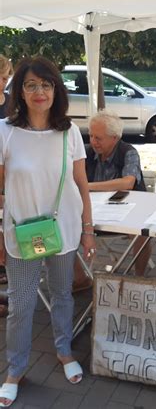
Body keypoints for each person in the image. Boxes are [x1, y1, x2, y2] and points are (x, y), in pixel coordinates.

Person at [0, 57, 96, 407]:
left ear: (56, 90)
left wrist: (88, 230)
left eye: (46, 84)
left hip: (64, 228)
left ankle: (63, 351)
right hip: (22, 234)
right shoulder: (5, 132)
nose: (39, 92)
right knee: (20, 305)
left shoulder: (68, 132)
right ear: (20, 92)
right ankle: (15, 370)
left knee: (63, 295)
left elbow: (82, 185)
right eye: (31, 85)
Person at [72, 110, 151, 291]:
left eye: (99, 138)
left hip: (126, 210)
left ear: (115, 138)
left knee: (143, 233)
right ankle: (81, 278)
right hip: (92, 211)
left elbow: (128, 182)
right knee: (63, 229)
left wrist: (87, 186)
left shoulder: (128, 152)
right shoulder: (86, 152)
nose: (93, 141)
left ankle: (139, 278)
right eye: (91, 135)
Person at [0, 55, 13, 289]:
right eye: (2, 77)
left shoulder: (11, 101)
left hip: (9, 173)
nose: (5, 82)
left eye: (7, 77)